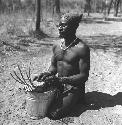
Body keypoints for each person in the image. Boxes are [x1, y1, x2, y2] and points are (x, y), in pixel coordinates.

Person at [33, 13, 90, 120]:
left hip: (74, 86)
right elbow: (53, 67)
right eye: (59, 25)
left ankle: (78, 97)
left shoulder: (82, 48)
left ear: (74, 27)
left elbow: (84, 76)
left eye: (63, 25)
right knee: (38, 102)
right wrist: (46, 74)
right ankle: (65, 97)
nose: (59, 28)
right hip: (58, 82)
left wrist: (61, 80)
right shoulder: (56, 45)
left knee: (53, 114)